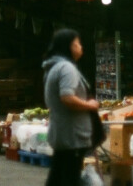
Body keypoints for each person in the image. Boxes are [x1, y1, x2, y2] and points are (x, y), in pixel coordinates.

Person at [41, 28, 98, 186]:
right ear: (69, 46)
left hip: (61, 133)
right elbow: (67, 97)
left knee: (57, 177)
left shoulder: (54, 67)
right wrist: (90, 105)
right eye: (77, 43)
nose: (81, 47)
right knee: (69, 178)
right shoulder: (67, 68)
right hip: (72, 135)